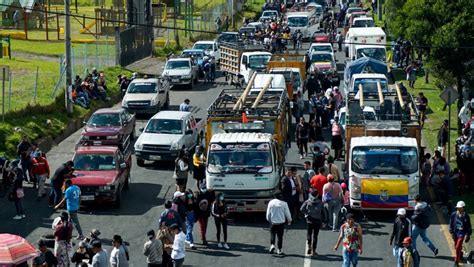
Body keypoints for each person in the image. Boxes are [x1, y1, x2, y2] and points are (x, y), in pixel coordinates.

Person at [300, 190, 324, 256]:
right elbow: (323, 212)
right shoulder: (320, 202)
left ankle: (309, 246)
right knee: (315, 236)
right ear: (317, 195)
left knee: (309, 234)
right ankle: (314, 250)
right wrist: (324, 221)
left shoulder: (307, 201)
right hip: (317, 220)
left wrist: (306, 214)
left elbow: (301, 209)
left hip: (309, 220)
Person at [449, 201, 472, 267]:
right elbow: (451, 223)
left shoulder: (466, 216)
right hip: (455, 233)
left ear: (463, 208)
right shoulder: (453, 214)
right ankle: (460, 254)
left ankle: (456, 261)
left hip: (461, 233)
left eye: (459, 208)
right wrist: (451, 231)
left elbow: (469, 226)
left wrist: (468, 235)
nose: (458, 209)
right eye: (457, 207)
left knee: (458, 246)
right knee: (456, 247)